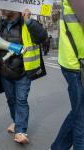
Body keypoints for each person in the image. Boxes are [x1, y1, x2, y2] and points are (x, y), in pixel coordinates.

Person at [0, 9, 47, 144]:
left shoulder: (27, 21)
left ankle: (21, 131)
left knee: (21, 100)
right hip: (5, 71)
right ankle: (16, 121)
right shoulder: (0, 24)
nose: (2, 8)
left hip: (24, 71)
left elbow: (42, 37)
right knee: (11, 100)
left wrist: (29, 22)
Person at [50, 0, 84, 149]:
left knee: (79, 112)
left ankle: (57, 147)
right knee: (81, 118)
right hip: (76, 65)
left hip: (74, 62)